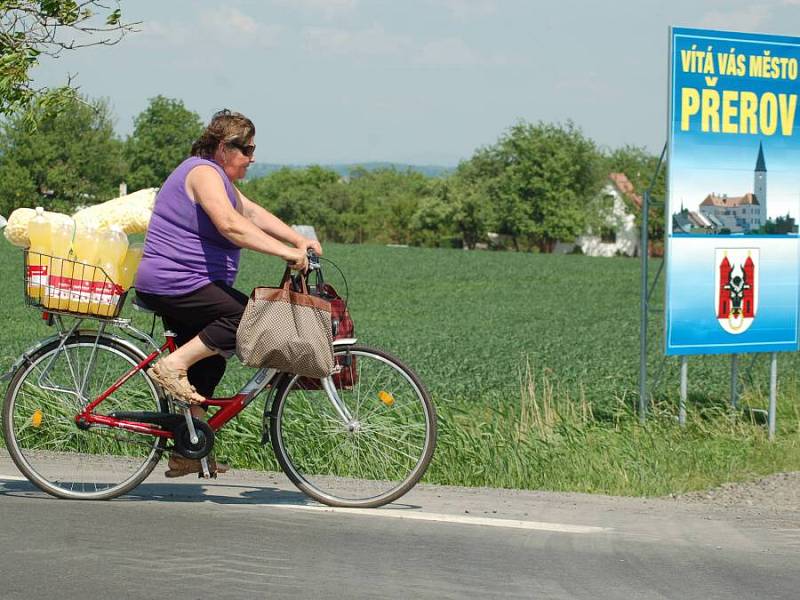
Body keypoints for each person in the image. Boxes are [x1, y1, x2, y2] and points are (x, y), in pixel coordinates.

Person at [134, 109, 321, 477]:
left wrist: (298, 239)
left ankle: (190, 447)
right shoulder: (202, 173)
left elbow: (249, 212)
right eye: (246, 149)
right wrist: (286, 252)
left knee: (213, 357)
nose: (252, 158)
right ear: (224, 147)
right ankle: (170, 367)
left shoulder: (217, 177)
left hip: (191, 283)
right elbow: (232, 225)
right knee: (243, 319)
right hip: (174, 282)